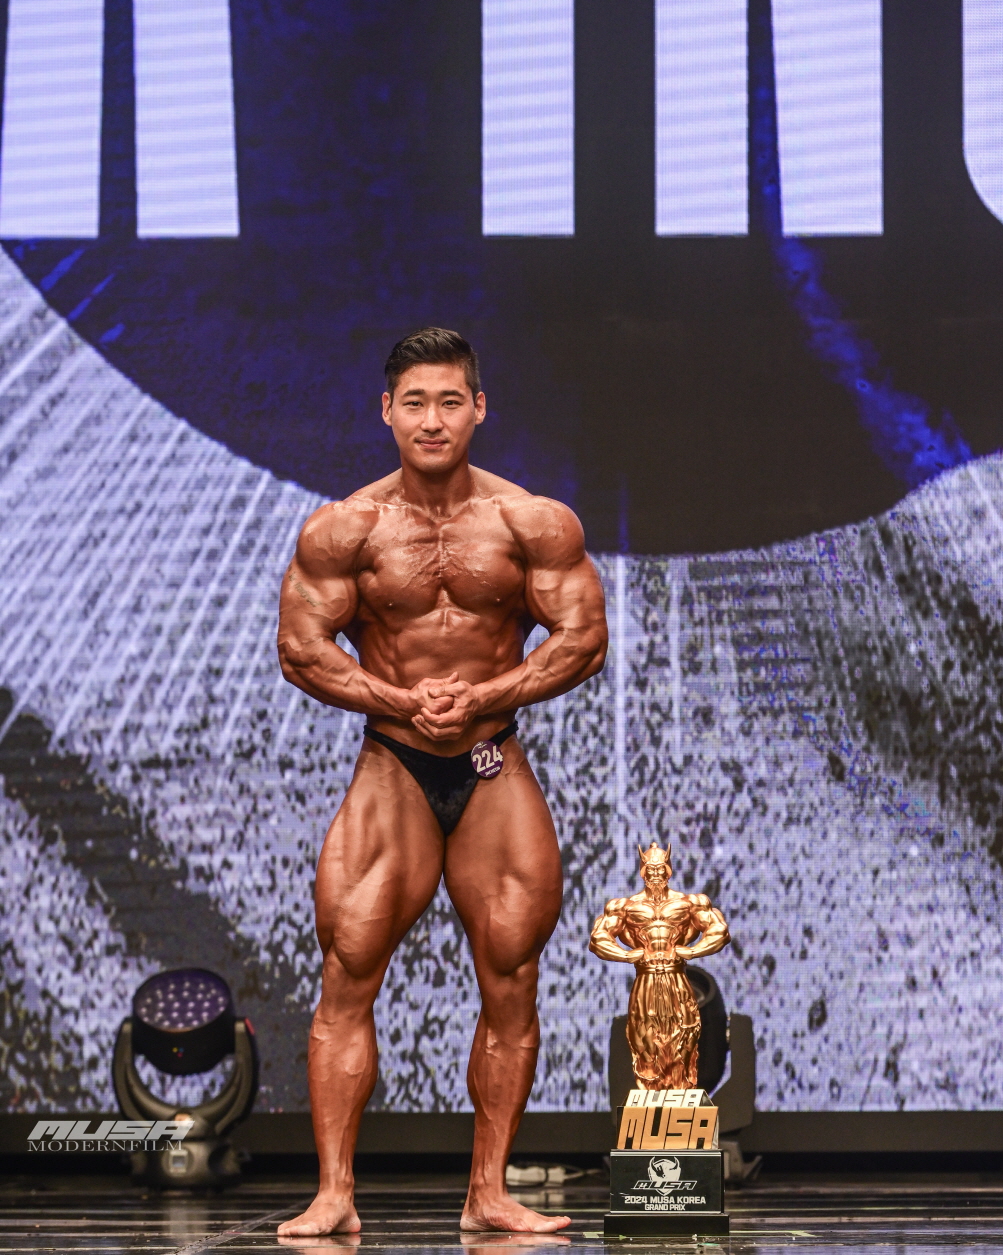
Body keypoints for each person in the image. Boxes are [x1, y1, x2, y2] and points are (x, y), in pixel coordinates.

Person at [275, 327, 608, 1235]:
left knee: (513, 973)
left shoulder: (530, 522)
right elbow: (300, 648)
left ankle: (488, 1191)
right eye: (415, 402)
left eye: (450, 401)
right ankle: (334, 1193)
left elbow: (584, 639)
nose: (432, 420)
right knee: (349, 967)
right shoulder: (345, 529)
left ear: (479, 408)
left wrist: (487, 694)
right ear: (387, 410)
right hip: (394, 763)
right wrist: (397, 699)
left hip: (493, 760)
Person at [589, 842, 730, 1089]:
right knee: (645, 1039)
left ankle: (681, 1090)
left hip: (676, 977)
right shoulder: (626, 907)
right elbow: (598, 938)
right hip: (646, 978)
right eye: (651, 870)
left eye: (660, 869)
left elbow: (719, 930)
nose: (656, 875)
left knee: (685, 1035)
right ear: (643, 871)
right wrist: (626, 955)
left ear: (668, 869)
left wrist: (693, 950)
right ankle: (651, 1093)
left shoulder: (688, 903)